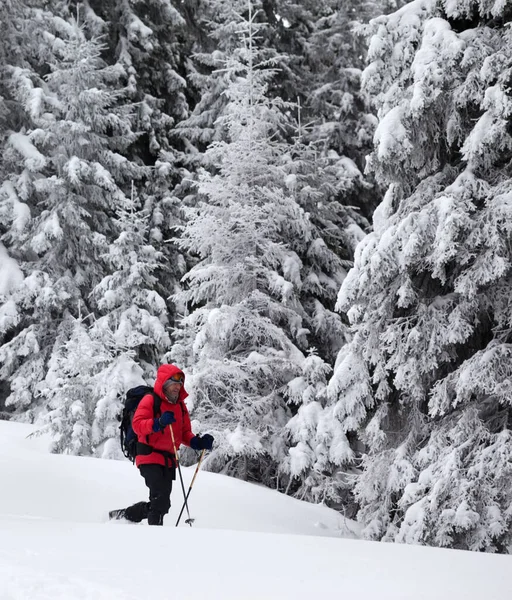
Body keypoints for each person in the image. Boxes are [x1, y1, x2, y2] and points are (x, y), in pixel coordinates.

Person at [109, 364, 214, 526]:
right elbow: (138, 425)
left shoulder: (180, 406)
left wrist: (197, 442)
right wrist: (158, 423)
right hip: (148, 455)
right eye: (174, 383)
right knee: (160, 501)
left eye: (180, 384)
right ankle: (156, 540)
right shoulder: (151, 400)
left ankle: (126, 515)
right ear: (165, 383)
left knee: (163, 505)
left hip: (168, 460)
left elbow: (184, 433)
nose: (177, 387)